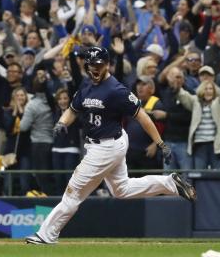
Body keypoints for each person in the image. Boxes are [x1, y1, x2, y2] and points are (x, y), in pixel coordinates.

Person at [25, 47, 195, 245]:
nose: (94, 68)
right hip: (106, 143)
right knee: (121, 190)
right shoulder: (87, 87)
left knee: (73, 193)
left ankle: (46, 235)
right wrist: (62, 123)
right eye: (91, 64)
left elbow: (142, 116)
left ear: (107, 64)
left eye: (99, 64)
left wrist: (160, 143)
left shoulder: (116, 90)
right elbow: (73, 109)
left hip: (106, 147)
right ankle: (170, 183)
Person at [177, 80, 220, 169]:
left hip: (216, 145)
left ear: (214, 91)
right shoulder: (196, 102)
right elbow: (184, 96)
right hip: (199, 145)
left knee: (218, 174)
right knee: (200, 174)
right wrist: (177, 86)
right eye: (206, 89)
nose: (208, 91)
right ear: (201, 90)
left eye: (211, 89)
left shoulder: (219, 101)